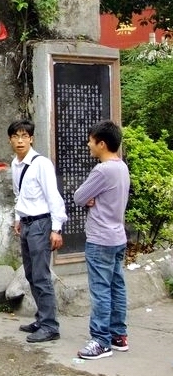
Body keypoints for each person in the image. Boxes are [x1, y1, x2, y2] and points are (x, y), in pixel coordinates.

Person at [73, 120, 130, 360]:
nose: (89, 144)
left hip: (100, 239)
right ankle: (118, 335)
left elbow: (78, 197)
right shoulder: (122, 167)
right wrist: (92, 198)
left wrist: (89, 198)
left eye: (91, 140)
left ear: (102, 144)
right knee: (117, 285)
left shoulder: (102, 170)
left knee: (100, 290)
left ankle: (100, 340)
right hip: (117, 236)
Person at [8, 118, 67, 343]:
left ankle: (50, 326)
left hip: (42, 224)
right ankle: (42, 319)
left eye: (24, 136)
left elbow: (53, 197)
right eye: (16, 136)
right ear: (10, 140)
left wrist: (56, 229)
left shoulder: (41, 164)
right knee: (31, 274)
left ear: (31, 139)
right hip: (26, 223)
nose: (20, 141)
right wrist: (17, 218)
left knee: (41, 275)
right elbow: (18, 195)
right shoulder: (15, 164)